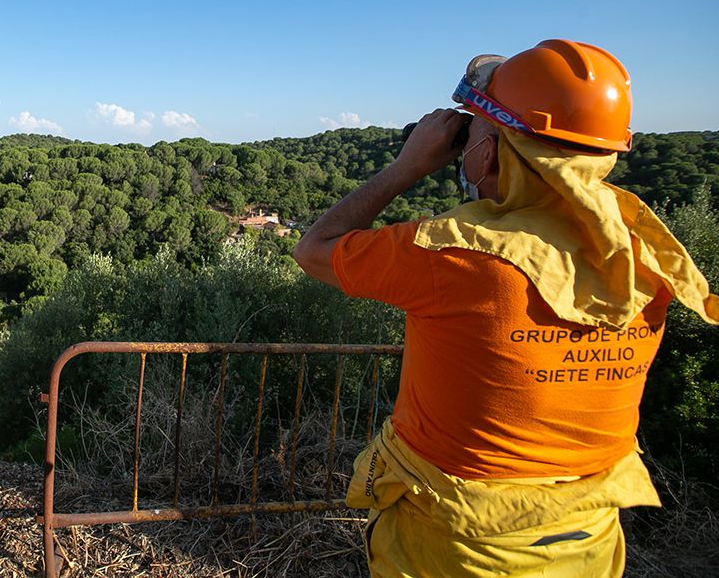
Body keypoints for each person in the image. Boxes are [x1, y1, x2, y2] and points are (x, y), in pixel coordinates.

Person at [292, 39, 718, 578]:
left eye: (474, 131)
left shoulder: (454, 254)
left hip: (455, 545)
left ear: (490, 152)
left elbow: (313, 251)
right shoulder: (646, 257)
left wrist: (406, 168)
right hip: (589, 542)